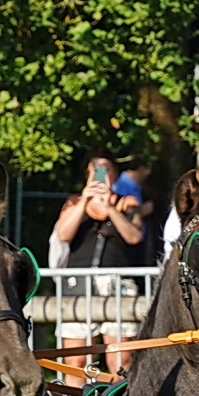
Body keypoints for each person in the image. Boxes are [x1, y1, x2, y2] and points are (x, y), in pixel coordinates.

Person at [48, 155, 146, 384]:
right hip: (78, 285)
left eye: (106, 171)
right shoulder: (74, 203)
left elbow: (134, 236)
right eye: (95, 171)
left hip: (118, 285)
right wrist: (85, 201)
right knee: (76, 360)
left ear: (115, 175)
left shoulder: (127, 203)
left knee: (120, 360)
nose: (100, 176)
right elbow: (63, 234)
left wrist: (110, 208)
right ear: (87, 175)